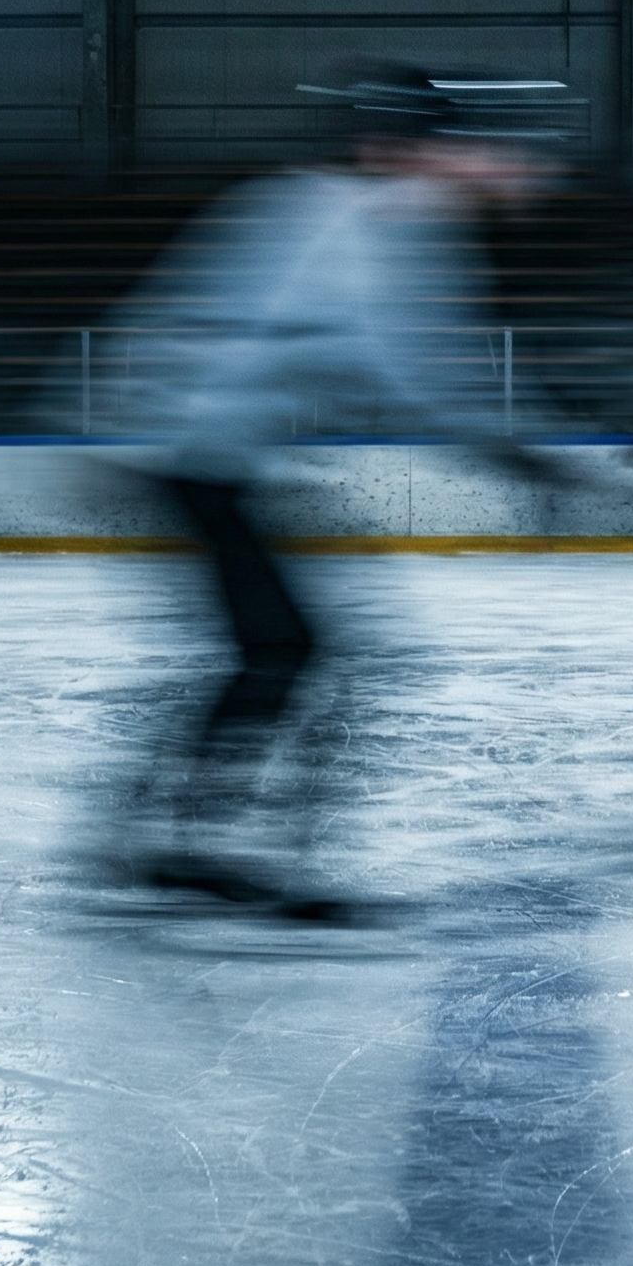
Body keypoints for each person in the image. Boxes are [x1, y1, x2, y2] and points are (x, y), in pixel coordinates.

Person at [106, 63, 572, 912]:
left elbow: (355, 355)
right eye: (437, 149)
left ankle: (178, 837)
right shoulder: (376, 218)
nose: (452, 164)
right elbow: (412, 366)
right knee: (286, 648)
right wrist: (521, 454)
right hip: (193, 456)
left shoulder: (309, 202)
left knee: (277, 648)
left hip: (199, 452)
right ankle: (220, 849)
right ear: (389, 149)